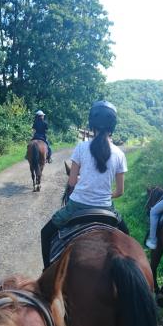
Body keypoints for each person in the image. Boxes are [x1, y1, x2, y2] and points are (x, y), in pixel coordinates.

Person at [41, 100, 129, 269]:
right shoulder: (119, 154)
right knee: (127, 237)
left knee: (45, 233)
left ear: (92, 123)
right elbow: (120, 191)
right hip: (106, 208)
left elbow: (72, 182)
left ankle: (46, 271)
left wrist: (85, 183)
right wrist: (104, 194)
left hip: (76, 207)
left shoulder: (81, 147)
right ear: (113, 125)